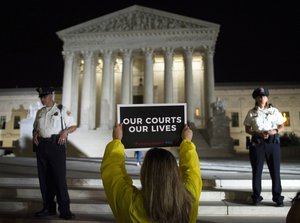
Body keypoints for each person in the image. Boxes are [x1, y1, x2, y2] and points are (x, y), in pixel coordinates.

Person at [100, 123, 202, 223]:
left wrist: (116, 141)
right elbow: (192, 170)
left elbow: (112, 171)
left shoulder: (130, 203)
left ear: (145, 173)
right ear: (174, 172)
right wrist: (187, 143)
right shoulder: (189, 200)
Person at [32, 87, 77, 220]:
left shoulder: (62, 110)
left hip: (56, 145)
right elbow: (36, 127)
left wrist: (65, 132)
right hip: (42, 146)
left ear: (51, 96)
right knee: (44, 180)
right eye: (40, 97)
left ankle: (65, 210)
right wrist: (35, 134)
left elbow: (73, 126)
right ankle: (48, 208)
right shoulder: (39, 112)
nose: (42, 99)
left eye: (44, 97)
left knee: (59, 178)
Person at [243, 87, 285, 207]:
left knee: (275, 171)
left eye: (264, 96)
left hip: (273, 143)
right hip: (258, 143)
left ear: (267, 98)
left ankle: (277, 197)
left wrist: (275, 130)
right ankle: (256, 197)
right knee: (257, 171)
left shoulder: (274, 111)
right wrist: (256, 133)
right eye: (260, 96)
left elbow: (282, 126)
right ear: (256, 98)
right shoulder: (251, 113)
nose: (262, 98)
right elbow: (247, 129)